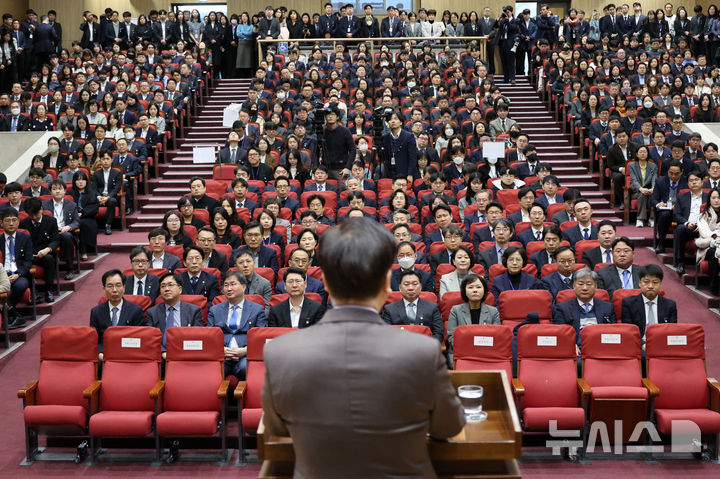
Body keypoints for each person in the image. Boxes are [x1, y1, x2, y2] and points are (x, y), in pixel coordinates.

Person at [262, 218, 464, 477]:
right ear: (387, 283)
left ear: (324, 282)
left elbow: (278, 429)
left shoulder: (280, 352)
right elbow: (448, 427)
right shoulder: (423, 352)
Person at [207, 271, 267, 379]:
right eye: (226, 285)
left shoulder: (257, 310)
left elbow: (261, 338)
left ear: (243, 287)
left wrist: (245, 351)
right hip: (222, 354)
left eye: (233, 284)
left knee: (246, 368)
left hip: (245, 354)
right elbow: (209, 337)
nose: (229, 289)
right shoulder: (215, 310)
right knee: (211, 370)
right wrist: (221, 350)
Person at [553, 268, 616, 350]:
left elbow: (614, 333)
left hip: (603, 350)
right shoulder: (563, 308)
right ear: (574, 286)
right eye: (581, 284)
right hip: (576, 351)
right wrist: (570, 345)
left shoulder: (607, 307)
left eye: (589, 284)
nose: (585, 288)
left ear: (596, 287)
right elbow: (560, 334)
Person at [446, 274, 500, 365]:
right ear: (464, 291)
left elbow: (497, 338)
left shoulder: (493, 312)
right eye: (470, 287)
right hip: (461, 354)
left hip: (487, 354)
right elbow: (452, 338)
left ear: (484, 291)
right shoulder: (455, 310)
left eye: (478, 287)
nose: (475, 290)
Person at [89, 269, 145, 352]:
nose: (114, 290)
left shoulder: (136, 310)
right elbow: (94, 340)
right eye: (110, 286)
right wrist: (100, 353)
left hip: (128, 353)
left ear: (124, 288)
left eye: (118, 285)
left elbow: (139, 339)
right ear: (104, 289)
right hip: (104, 354)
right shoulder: (96, 312)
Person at [146, 272, 204, 350]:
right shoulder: (152, 313)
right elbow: (150, 338)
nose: (166, 289)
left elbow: (198, 337)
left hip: (186, 353)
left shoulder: (194, 311)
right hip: (161, 355)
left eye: (170, 285)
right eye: (163, 286)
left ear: (180, 289)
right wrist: (163, 352)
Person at [382, 270, 443, 343]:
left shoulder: (432, 308)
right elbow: (387, 335)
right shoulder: (389, 309)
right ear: (400, 288)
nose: (410, 288)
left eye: (414, 284)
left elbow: (438, 334)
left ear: (420, 287)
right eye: (406, 284)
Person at [620, 264, 677, 341]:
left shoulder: (670, 305)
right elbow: (628, 333)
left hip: (662, 344)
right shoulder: (629, 303)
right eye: (646, 282)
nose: (650, 286)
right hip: (638, 344)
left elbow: (672, 332)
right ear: (640, 283)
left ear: (660, 284)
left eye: (655, 282)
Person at [19, 198, 58, 304]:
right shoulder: (23, 223)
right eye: (31, 215)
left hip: (44, 253)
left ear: (41, 209)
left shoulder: (51, 221)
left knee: (49, 259)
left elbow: (55, 240)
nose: (34, 217)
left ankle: (49, 290)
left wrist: (47, 249)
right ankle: (33, 293)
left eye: (36, 214)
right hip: (29, 255)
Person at [1, 209, 33, 328]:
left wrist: (18, 274)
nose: (11, 224)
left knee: (20, 285)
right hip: (2, 274)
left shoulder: (25, 237)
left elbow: (28, 260)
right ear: (1, 223)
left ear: (18, 222)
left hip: (19, 274)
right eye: (7, 221)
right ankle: (16, 316)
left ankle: (5, 308)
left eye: (14, 220)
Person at [672, 170, 708, 275]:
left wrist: (702, 226)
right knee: (680, 229)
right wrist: (687, 223)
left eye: (696, 180)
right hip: (688, 227)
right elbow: (676, 215)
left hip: (706, 229)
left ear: (702, 182)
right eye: (691, 181)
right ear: (688, 183)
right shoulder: (681, 197)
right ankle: (680, 263)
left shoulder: (709, 196)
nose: (694, 182)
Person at [42, 180, 79, 279]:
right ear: (50, 192)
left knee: (66, 236)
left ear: (64, 191)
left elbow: (77, 221)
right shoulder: (44, 205)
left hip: (65, 232)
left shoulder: (72, 205)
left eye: (59, 189)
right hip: (50, 233)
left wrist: (68, 227)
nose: (57, 191)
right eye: (54, 189)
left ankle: (70, 269)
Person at [695, 188, 720, 295]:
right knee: (714, 253)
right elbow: (705, 233)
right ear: (709, 199)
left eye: (719, 198)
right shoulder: (703, 215)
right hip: (707, 246)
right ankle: (714, 286)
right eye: (713, 198)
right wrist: (716, 237)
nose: (716, 200)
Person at [382, 111, 418, 182]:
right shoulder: (386, 137)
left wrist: (410, 174)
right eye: (391, 119)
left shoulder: (409, 136)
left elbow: (412, 157)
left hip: (404, 171)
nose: (393, 121)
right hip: (390, 171)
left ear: (401, 122)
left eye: (395, 119)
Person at [91, 151, 122, 235]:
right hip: (99, 197)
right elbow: (93, 188)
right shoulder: (96, 174)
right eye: (103, 159)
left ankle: (108, 225)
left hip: (110, 197)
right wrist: (98, 197)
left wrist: (107, 197)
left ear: (112, 160)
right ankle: (94, 225)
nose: (105, 161)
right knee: (90, 201)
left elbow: (117, 188)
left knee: (112, 201)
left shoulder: (117, 173)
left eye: (107, 159)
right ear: (100, 160)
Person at [235, 250, 272, 315]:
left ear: (254, 263)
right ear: (236, 266)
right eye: (241, 262)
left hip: (256, 320)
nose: (245, 265)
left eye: (248, 261)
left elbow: (267, 309)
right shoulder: (229, 284)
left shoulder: (264, 284)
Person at [628, 145, 657, 228]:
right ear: (637, 154)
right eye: (640, 152)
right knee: (642, 194)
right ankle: (640, 219)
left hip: (649, 190)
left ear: (648, 154)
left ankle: (652, 219)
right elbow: (634, 180)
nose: (643, 153)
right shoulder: (632, 166)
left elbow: (654, 179)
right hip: (637, 191)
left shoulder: (653, 166)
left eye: (645, 152)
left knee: (653, 194)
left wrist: (653, 188)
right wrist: (641, 189)